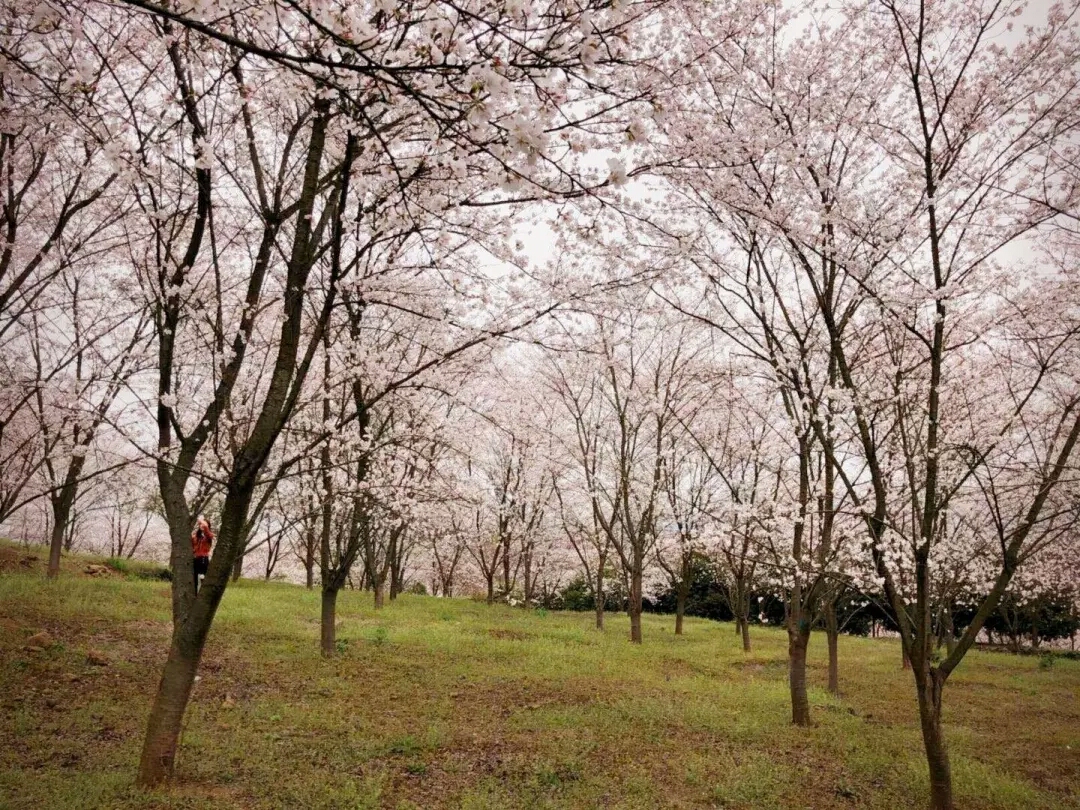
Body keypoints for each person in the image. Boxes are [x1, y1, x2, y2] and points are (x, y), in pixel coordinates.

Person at [191, 515, 214, 593]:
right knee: (194, 579)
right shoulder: (195, 536)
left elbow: (208, 533)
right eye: (200, 524)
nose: (202, 526)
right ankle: (194, 595)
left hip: (203, 559)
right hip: (195, 559)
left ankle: (203, 594)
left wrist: (201, 521)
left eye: (204, 524)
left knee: (202, 577)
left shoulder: (209, 536)